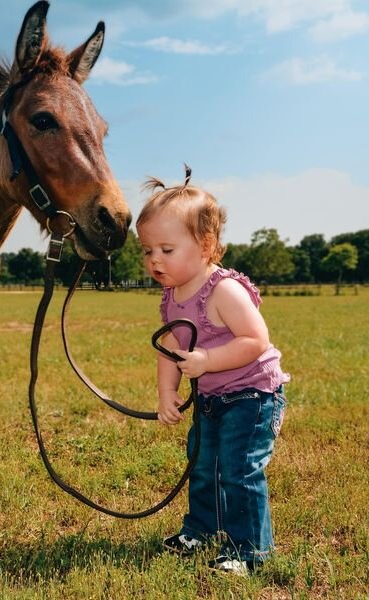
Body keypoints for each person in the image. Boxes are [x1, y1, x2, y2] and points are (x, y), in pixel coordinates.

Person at [136, 167, 290, 576]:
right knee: (202, 465)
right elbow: (170, 348)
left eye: (166, 250)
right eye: (147, 250)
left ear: (205, 246)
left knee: (238, 471)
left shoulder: (223, 290)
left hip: (252, 396)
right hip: (212, 399)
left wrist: (206, 361)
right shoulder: (172, 298)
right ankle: (202, 529)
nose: (154, 260)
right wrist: (167, 394)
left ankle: (250, 550)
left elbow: (255, 341)